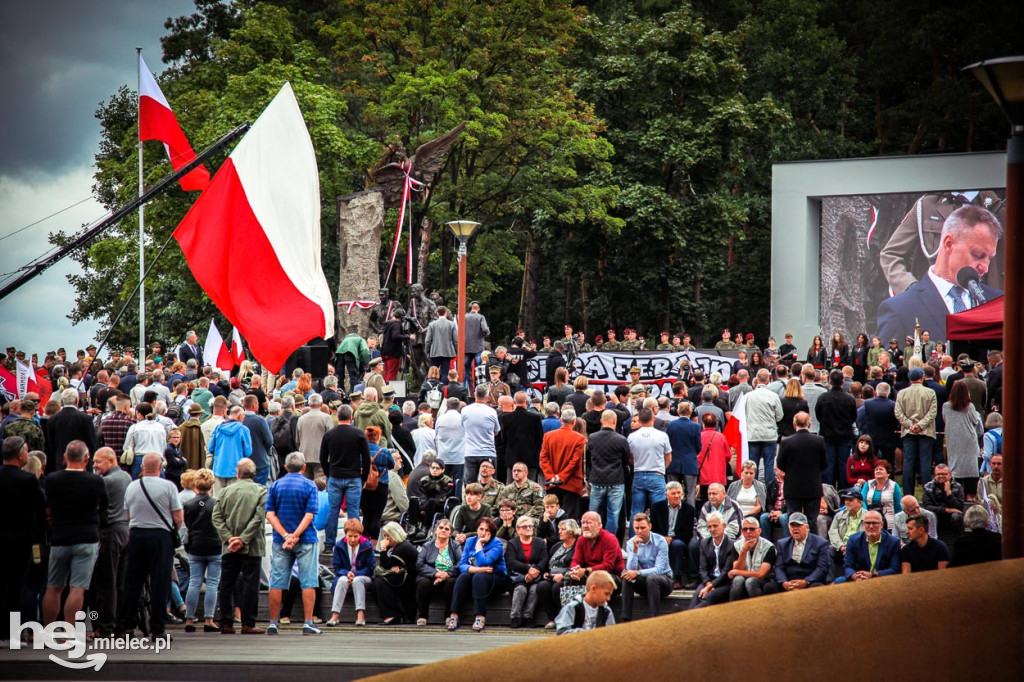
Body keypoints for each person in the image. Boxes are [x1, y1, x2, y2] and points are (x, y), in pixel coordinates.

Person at [877, 205, 1003, 342]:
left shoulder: (999, 304)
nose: (985, 267)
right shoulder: (900, 310)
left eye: (989, 258)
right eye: (977, 255)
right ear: (948, 244)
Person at [41, 440, 108, 626]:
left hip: (60, 536)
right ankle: (70, 630)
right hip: (87, 536)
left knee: (54, 587)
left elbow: (47, 507)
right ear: (86, 458)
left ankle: (48, 629)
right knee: (77, 588)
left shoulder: (52, 480)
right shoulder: (96, 481)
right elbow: (104, 507)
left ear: (65, 457)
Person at [117, 453, 182, 640]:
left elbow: (127, 515)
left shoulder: (132, 487)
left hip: (136, 534)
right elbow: (178, 517)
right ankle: (158, 628)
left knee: (132, 582)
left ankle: (127, 626)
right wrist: (172, 530)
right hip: (160, 537)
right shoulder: (169, 486)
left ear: (142, 467)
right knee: (160, 583)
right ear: (160, 467)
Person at [265, 452, 321, 636]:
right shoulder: (309, 485)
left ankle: (273, 622)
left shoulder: (275, 485)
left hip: (281, 540)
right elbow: (310, 514)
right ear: (304, 467)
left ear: (286, 467)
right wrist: (296, 535)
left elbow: (270, 514)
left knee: (277, 581)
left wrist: (285, 535)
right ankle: (308, 622)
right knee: (308, 581)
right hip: (305, 539)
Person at [212, 458, 266, 634]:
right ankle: (248, 623)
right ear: (254, 473)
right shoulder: (261, 491)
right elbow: (258, 518)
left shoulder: (225, 491)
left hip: (229, 547)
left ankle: (226, 622)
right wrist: (243, 539)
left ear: (237, 473)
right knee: (251, 584)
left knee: (227, 583)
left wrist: (229, 539)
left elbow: (216, 517)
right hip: (252, 546)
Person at [89, 447, 130, 637]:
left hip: (110, 533)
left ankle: (104, 626)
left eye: (98, 462)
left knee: (105, 582)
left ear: (111, 460)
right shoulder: (126, 478)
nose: (94, 465)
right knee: (120, 582)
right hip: (125, 531)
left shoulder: (104, 481)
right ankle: (122, 624)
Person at [319, 404, 372, 548]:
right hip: (353, 476)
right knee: (353, 511)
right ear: (351, 416)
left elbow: (323, 457)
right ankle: (354, 541)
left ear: (337, 416)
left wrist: (328, 473)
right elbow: (366, 459)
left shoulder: (329, 434)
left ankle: (330, 543)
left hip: (335, 476)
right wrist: (364, 478)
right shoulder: (359, 434)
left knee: (333, 510)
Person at [448, 517, 507, 632]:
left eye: (487, 530)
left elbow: (483, 562)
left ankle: (480, 616)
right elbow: (462, 565)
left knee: (479, 577)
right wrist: (479, 570)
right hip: (478, 576)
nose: (483, 533)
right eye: (481, 529)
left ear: (492, 533)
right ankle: (454, 615)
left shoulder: (497, 544)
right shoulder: (470, 541)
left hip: (497, 579)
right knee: (463, 577)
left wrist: (479, 544)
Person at [181, 468, 221, 633]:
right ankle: (209, 619)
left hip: (195, 546)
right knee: (212, 583)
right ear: (211, 485)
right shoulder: (216, 503)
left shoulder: (188, 504)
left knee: (194, 582)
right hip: (214, 546)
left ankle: (189, 619)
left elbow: (187, 526)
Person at [775, 412, 827, 532]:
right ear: (809, 424)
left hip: (793, 488)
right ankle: (812, 547)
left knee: (794, 521)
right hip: (812, 487)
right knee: (811, 521)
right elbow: (824, 464)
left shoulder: (786, 442)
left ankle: (794, 547)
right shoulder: (819, 441)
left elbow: (780, 464)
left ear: (794, 424)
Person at [620, 513, 673, 620]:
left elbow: (660, 569)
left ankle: (654, 619)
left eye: (643, 528)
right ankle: (625, 619)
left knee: (652, 578)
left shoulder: (660, 541)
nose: (639, 531)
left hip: (664, 581)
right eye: (637, 528)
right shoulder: (631, 543)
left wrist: (638, 573)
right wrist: (635, 550)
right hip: (645, 582)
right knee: (627, 577)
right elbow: (631, 570)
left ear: (650, 526)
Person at [588, 408, 631, 536]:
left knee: (593, 514)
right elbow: (626, 460)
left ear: (601, 421)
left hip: (596, 480)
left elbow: (589, 458)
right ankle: (609, 541)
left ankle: (593, 540)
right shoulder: (621, 439)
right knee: (613, 515)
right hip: (616, 481)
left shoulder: (592, 437)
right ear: (615, 421)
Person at [539, 407, 587, 520]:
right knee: (570, 518)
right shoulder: (579, 438)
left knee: (552, 515)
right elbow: (574, 462)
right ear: (574, 421)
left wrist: (551, 476)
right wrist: (561, 477)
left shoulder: (548, 436)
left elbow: (543, 458)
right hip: (571, 483)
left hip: (551, 483)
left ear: (561, 419)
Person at [327, 518, 375, 627]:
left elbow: (370, 567)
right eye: (350, 536)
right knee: (342, 580)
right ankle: (335, 615)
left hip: (364, 576)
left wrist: (355, 574)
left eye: (355, 536)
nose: (352, 539)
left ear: (360, 535)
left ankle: (360, 614)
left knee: (357, 581)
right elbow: (337, 567)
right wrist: (347, 573)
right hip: (345, 575)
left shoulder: (367, 545)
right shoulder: (339, 546)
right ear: (345, 534)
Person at [415, 518, 462, 626]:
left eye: (447, 529)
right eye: (441, 528)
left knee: (452, 583)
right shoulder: (427, 545)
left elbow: (460, 563)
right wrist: (436, 574)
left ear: (450, 533)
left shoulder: (455, 546)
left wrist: (446, 574)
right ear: (436, 530)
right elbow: (420, 564)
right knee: (423, 583)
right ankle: (423, 616)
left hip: (448, 576)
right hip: (430, 577)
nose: (443, 530)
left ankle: (448, 615)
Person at [626, 407, 671, 520]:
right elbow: (668, 457)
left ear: (639, 420)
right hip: (656, 474)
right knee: (659, 510)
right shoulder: (662, 435)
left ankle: (634, 536)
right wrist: (661, 469)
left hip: (638, 474)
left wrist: (636, 463)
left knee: (636, 511)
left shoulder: (631, 437)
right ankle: (658, 536)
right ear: (653, 418)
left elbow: (630, 458)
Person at [941, 381, 983, 499]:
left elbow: (946, 420)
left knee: (955, 466)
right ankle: (970, 496)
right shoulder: (970, 407)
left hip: (953, 441)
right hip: (969, 441)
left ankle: (956, 495)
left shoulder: (945, 406)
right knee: (971, 468)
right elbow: (976, 421)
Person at [505, 515, 548, 627]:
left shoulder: (540, 542)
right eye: (525, 526)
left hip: (536, 576)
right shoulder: (512, 543)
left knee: (535, 589)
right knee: (521, 589)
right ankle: (515, 616)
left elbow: (544, 560)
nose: (529, 528)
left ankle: (528, 616)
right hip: (517, 577)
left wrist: (535, 571)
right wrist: (528, 569)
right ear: (518, 529)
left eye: (530, 526)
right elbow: (511, 562)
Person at [835, 510, 900, 583]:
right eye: (868, 523)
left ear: (881, 525)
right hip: (859, 579)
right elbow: (848, 566)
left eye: (875, 523)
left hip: (882, 579)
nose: (871, 526)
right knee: (839, 581)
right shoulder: (853, 540)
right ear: (863, 524)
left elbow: (895, 569)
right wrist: (855, 576)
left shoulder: (893, 542)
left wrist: (873, 575)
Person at [650, 481, 695, 589]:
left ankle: (677, 578)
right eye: (673, 493)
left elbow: (688, 533)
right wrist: (663, 538)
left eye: (679, 493)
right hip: (661, 537)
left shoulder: (689, 509)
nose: (677, 496)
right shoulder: (657, 507)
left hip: (679, 539)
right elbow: (653, 528)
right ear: (666, 495)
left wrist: (672, 539)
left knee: (677, 545)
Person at [689, 512, 739, 608]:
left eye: (715, 526)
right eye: (710, 526)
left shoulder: (732, 545)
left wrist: (710, 587)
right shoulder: (704, 543)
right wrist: (708, 584)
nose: (712, 529)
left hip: (725, 583)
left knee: (709, 596)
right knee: (697, 595)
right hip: (709, 580)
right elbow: (702, 569)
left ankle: (687, 618)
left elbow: (726, 572)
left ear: (723, 526)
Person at [743, 369, 784, 485]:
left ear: (756, 379)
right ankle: (769, 488)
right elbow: (779, 416)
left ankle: (753, 486)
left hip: (753, 434)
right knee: (769, 464)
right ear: (769, 379)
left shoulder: (748, 396)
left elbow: (743, 414)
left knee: (752, 464)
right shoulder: (773, 396)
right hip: (769, 434)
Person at [773, 513, 831, 590]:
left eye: (798, 525)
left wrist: (806, 581)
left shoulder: (821, 543)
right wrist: (784, 582)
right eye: (792, 526)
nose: (795, 528)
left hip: (810, 580)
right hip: (789, 580)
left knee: (817, 587)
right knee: (770, 587)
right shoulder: (782, 544)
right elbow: (779, 567)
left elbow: (822, 568)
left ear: (807, 527)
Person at [570, 511, 625, 591]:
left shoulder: (610, 539)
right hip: (589, 575)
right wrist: (575, 570)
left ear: (599, 525)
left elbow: (608, 566)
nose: (585, 526)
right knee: (565, 582)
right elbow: (576, 560)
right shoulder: (581, 540)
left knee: (598, 581)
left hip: (611, 576)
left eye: (589, 523)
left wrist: (586, 571)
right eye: (583, 523)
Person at [728, 516, 777, 601]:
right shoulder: (737, 545)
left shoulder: (769, 547)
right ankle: (734, 610)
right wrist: (744, 551)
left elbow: (761, 574)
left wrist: (737, 572)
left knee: (750, 582)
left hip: (764, 580)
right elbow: (737, 571)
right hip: (744, 578)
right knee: (737, 580)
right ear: (741, 532)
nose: (748, 532)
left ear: (759, 531)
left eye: (752, 529)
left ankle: (757, 610)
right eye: (745, 529)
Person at [499, 391, 545, 482]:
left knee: (511, 487)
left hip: (512, 457)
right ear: (527, 402)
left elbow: (503, 439)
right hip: (530, 457)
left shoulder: (506, 418)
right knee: (530, 485)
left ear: (514, 402)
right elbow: (540, 439)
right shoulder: (535, 417)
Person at [361, 426, 395, 544]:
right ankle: (374, 545)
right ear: (378, 437)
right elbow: (391, 465)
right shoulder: (384, 451)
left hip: (365, 485)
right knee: (377, 515)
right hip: (381, 485)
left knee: (366, 515)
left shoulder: (361, 451)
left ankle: (364, 544)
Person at [555, 569, 616, 635]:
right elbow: (561, 632)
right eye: (606, 594)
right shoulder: (573, 607)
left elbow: (611, 634)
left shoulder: (606, 610)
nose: (608, 598)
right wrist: (586, 634)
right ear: (593, 588)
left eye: (610, 595)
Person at [461, 384, 500, 484]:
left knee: (470, 483)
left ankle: (469, 499)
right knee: (490, 483)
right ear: (487, 397)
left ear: (474, 394)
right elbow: (496, 430)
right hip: (488, 452)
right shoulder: (491, 412)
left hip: (471, 452)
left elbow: (463, 427)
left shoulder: (465, 410)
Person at [665, 401, 702, 505]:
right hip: (690, 463)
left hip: (673, 463)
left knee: (672, 492)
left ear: (677, 411)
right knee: (690, 494)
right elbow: (699, 447)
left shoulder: (671, 425)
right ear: (690, 411)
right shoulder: (695, 426)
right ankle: (689, 518)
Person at [921, 463, 965, 538]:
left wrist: (949, 494)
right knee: (930, 515)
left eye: (944, 474)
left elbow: (959, 508)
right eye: (938, 474)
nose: (941, 476)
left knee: (956, 516)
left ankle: (958, 540)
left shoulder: (958, 487)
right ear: (935, 475)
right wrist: (946, 510)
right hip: (936, 517)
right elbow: (926, 507)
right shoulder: (928, 487)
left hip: (952, 519)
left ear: (950, 475)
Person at [827, 488, 865, 572]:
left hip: (858, 548)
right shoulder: (839, 515)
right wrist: (841, 546)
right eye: (846, 499)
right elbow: (832, 532)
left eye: (851, 500)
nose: (847, 502)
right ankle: (830, 581)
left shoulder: (868, 516)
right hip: (841, 547)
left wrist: (850, 547)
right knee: (827, 551)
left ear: (860, 502)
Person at [860, 460, 903, 531]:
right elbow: (862, 500)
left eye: (881, 469)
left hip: (889, 522)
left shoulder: (894, 486)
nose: (878, 471)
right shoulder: (867, 484)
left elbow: (898, 506)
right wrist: (867, 514)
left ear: (888, 473)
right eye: (876, 469)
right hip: (869, 519)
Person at [425, 306, 458, 383]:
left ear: (437, 313)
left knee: (432, 372)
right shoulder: (452, 324)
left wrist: (427, 351)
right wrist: (455, 351)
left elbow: (428, 340)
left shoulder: (432, 325)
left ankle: (431, 388)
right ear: (446, 313)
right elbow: (455, 340)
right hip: (447, 352)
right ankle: (443, 390)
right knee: (445, 372)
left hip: (434, 351)